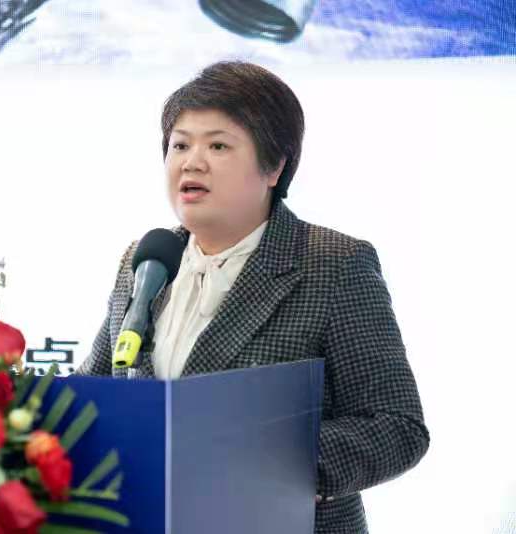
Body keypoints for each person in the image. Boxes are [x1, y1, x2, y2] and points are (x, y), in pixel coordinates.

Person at [76, 61, 429, 533]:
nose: (191, 162)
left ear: (275, 166)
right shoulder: (145, 262)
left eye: (218, 146)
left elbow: (397, 426)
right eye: (180, 145)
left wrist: (271, 461)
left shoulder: (333, 265)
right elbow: (94, 391)